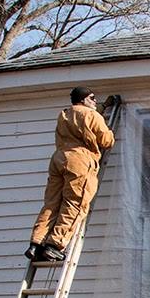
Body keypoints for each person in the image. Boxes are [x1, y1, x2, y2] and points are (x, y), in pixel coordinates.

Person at [25, 86, 116, 262]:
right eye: (92, 98)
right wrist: (109, 130)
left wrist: (100, 110)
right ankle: (55, 245)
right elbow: (106, 140)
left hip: (59, 159)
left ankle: (36, 243)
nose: (95, 101)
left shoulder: (64, 114)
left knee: (52, 203)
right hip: (80, 160)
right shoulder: (92, 115)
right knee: (75, 203)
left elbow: (81, 122)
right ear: (82, 100)